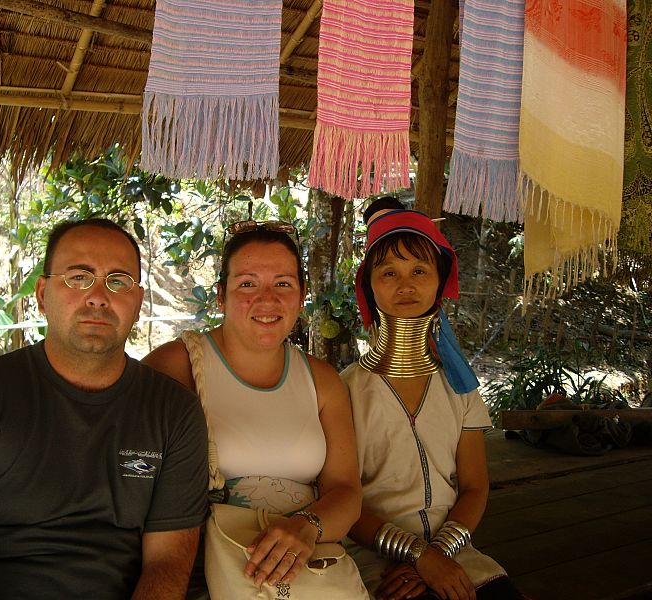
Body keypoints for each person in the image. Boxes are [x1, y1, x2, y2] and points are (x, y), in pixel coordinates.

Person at [0, 218, 209, 599]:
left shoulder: (174, 412)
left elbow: (168, 564)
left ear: (138, 303)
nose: (98, 296)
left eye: (118, 281)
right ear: (42, 294)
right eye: (78, 277)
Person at [142, 216, 363, 594]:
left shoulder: (321, 379)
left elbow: (346, 492)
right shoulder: (176, 366)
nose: (268, 299)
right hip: (206, 569)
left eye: (283, 284)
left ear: (301, 294)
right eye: (247, 284)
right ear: (221, 295)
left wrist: (306, 528)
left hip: (308, 565)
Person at [343, 201, 525, 600]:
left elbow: (475, 487)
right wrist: (418, 558)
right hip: (375, 559)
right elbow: (342, 497)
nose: (405, 285)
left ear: (440, 282)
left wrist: (438, 555)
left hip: (458, 554)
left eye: (419, 271)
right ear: (368, 286)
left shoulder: (459, 386)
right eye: (388, 272)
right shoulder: (344, 392)